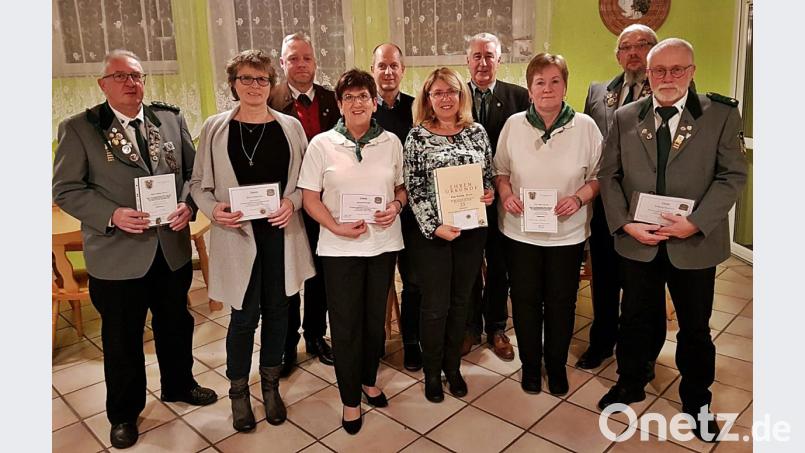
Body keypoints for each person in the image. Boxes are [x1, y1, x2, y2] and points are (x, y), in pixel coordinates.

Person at [52, 49, 217, 449]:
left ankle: (179, 384)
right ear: (103, 84)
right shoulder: (80, 128)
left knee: (176, 324)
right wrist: (112, 214)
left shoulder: (169, 119)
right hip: (118, 253)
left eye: (137, 76)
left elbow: (194, 174)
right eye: (121, 76)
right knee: (122, 338)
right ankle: (124, 413)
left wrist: (188, 204)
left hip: (170, 249)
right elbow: (66, 189)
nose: (131, 83)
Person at [597, 38, 747, 442]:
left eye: (677, 69)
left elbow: (732, 176)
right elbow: (607, 175)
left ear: (692, 72)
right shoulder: (627, 117)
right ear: (648, 74)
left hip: (692, 243)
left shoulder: (719, 115)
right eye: (659, 70)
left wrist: (695, 223)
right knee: (635, 318)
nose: (668, 77)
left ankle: (697, 399)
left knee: (695, 328)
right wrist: (625, 223)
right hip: (639, 240)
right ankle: (631, 381)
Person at [189, 49, 315, 431]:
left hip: (281, 234)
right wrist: (214, 211)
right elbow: (198, 184)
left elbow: (306, 184)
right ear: (233, 84)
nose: (254, 86)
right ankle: (239, 391)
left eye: (261, 79)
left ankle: (271, 384)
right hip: (237, 234)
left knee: (279, 312)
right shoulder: (214, 127)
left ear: (271, 84)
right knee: (243, 318)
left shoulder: (290, 127)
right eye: (246, 78)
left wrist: (291, 204)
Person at [297, 69, 406, 434]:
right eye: (349, 97)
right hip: (338, 247)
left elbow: (401, 190)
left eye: (364, 96)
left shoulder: (390, 142)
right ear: (340, 104)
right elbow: (310, 198)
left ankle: (368, 378)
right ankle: (349, 398)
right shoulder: (321, 144)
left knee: (374, 321)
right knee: (345, 325)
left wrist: (395, 207)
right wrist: (335, 226)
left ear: (374, 102)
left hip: (382, 245)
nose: (357, 103)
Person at [495, 53, 602, 395]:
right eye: (539, 82)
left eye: (555, 81)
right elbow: (500, 171)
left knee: (561, 303)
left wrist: (579, 198)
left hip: (566, 236)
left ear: (565, 86)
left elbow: (600, 177)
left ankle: (555, 366)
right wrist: (506, 193)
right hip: (520, 233)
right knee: (525, 301)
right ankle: (529, 366)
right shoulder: (513, 125)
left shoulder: (585, 126)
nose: (547, 88)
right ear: (529, 89)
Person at [404, 67, 494, 403]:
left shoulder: (477, 132)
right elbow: (413, 188)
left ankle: (452, 366)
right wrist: (434, 227)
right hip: (434, 236)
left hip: (471, 233)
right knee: (435, 306)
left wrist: (488, 194)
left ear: (461, 96)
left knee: (461, 302)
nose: (445, 98)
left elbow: (488, 176)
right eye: (438, 92)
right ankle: (431, 372)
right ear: (428, 98)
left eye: (451, 91)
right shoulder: (416, 137)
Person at [578, 24, 659, 371]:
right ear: (618, 54)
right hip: (604, 204)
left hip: (648, 205)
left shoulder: (668, 90)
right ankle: (601, 342)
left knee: (644, 285)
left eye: (642, 45)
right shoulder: (600, 92)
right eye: (626, 47)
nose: (633, 52)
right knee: (605, 279)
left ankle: (642, 351)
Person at [269, 32, 340, 374]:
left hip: (326, 203)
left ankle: (314, 335)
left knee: (320, 275)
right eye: (293, 58)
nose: (300, 64)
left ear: (315, 62)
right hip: (285, 205)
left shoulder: (332, 99)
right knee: (288, 275)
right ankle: (286, 344)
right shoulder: (267, 100)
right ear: (282, 63)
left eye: (306, 58)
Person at [462, 32, 530, 361]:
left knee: (500, 265)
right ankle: (470, 327)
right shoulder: (453, 96)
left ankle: (497, 327)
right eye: (477, 56)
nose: (483, 62)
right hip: (464, 201)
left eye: (489, 56)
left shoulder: (520, 97)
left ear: (499, 61)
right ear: (467, 61)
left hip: (505, 198)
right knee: (470, 265)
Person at [370, 42, 422, 371]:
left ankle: (412, 340)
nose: (388, 72)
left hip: (412, 210)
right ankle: (375, 341)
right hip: (375, 210)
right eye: (382, 66)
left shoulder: (418, 108)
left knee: (414, 280)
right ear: (373, 70)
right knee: (377, 282)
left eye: (394, 66)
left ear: (402, 70)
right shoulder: (362, 107)